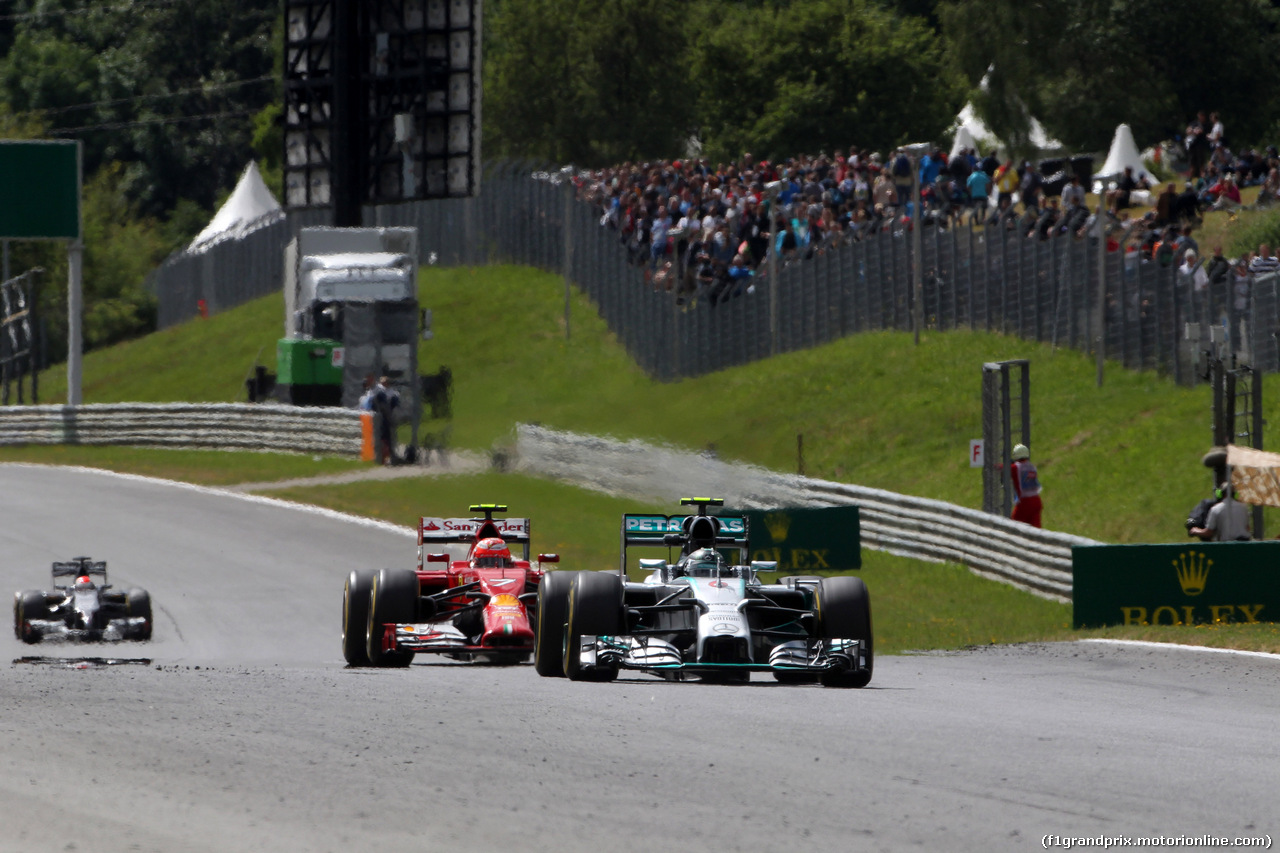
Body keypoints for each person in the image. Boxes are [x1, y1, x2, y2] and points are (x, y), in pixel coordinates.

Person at [1009, 443, 1043, 527]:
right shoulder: (1032, 467)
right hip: (1036, 501)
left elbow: (1006, 469)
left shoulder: (1015, 467)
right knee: (1035, 529)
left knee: (1014, 526)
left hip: (1025, 502)